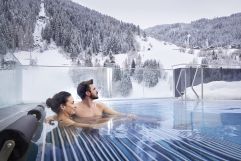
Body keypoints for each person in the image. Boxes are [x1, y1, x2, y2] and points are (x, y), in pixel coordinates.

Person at [45, 79, 135, 125]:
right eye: (94, 89)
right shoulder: (75, 108)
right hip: (85, 137)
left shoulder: (100, 106)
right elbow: (62, 115)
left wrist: (126, 116)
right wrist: (50, 118)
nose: (97, 91)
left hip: (100, 135)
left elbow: (116, 114)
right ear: (88, 93)